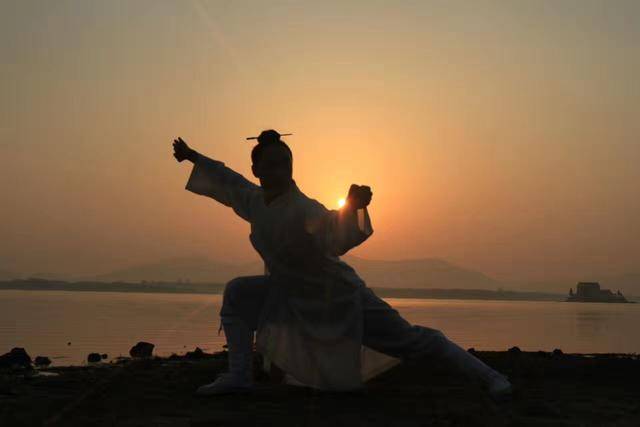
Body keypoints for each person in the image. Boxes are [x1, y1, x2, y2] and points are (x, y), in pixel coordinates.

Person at [172, 130, 512, 399]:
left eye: (284, 164)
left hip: (338, 297)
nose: (278, 170)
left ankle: (491, 377)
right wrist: (193, 157)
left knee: (411, 340)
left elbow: (334, 232)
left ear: (291, 168)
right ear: (256, 170)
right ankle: (238, 376)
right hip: (289, 295)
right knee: (237, 293)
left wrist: (352, 205)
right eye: (270, 164)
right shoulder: (254, 201)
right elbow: (228, 180)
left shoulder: (304, 208)